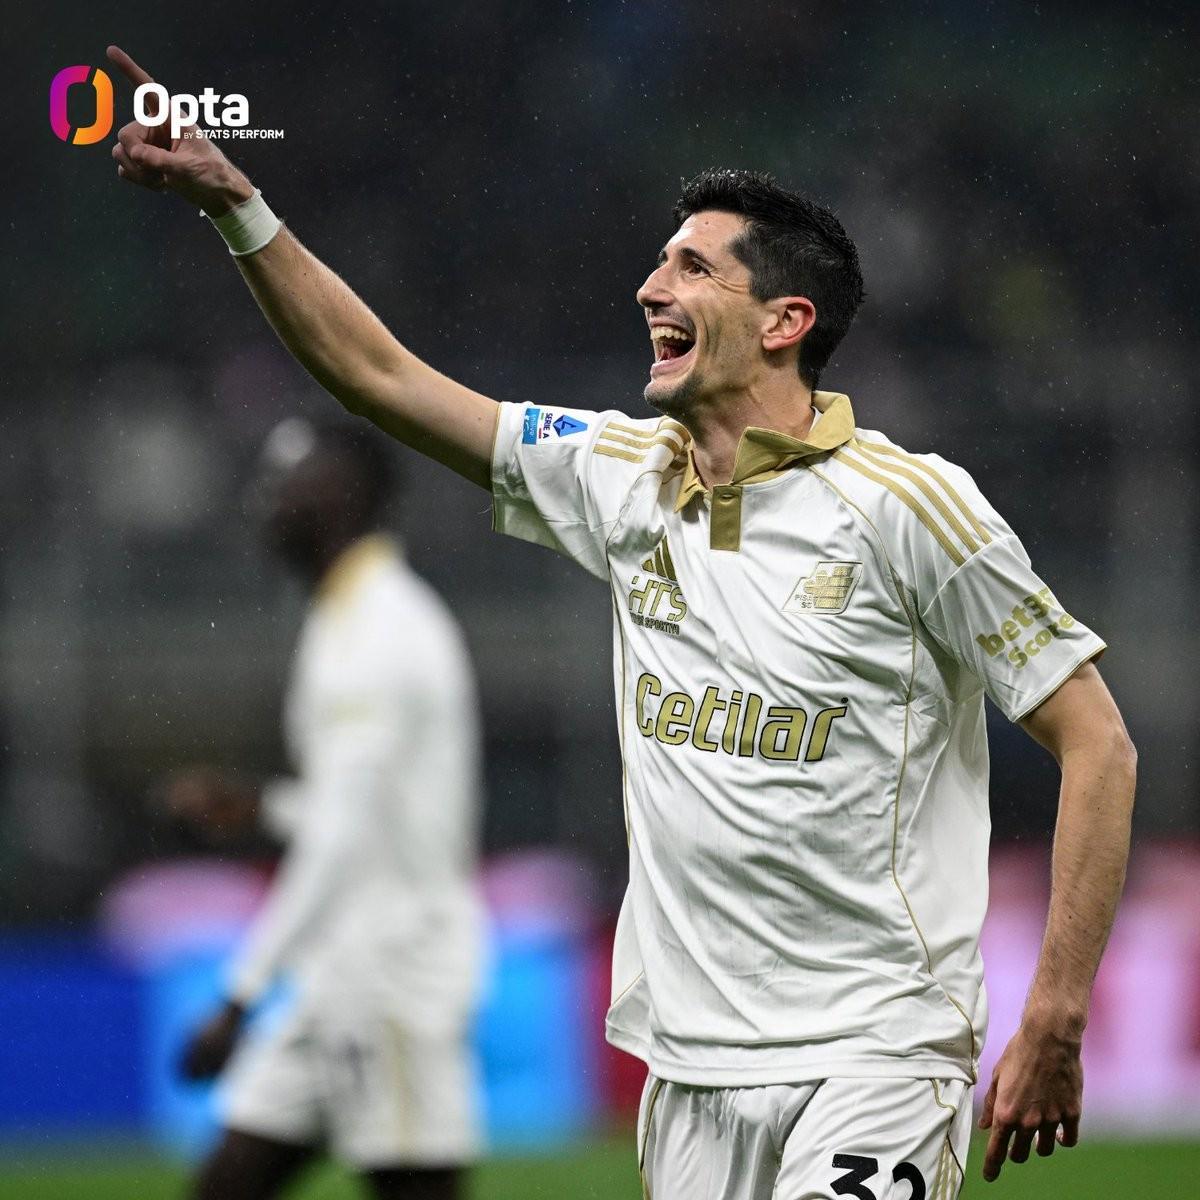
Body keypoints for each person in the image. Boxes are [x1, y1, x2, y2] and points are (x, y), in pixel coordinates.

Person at [108, 44, 1137, 1199]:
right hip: (689, 1072)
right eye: (659, 263)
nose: (651, 289)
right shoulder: (618, 474)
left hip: (876, 1057)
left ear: (786, 319)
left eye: (692, 268)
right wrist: (238, 206)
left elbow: (1099, 743)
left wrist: (1055, 1016)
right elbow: (378, 376)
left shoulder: (912, 508)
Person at [164, 417, 485, 1200]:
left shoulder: (381, 628)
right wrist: (263, 807)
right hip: (336, 970)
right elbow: (353, 811)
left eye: (286, 482)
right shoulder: (340, 616)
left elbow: (341, 839)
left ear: (343, 495)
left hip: (393, 975)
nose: (266, 500)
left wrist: (239, 996)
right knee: (225, 1186)